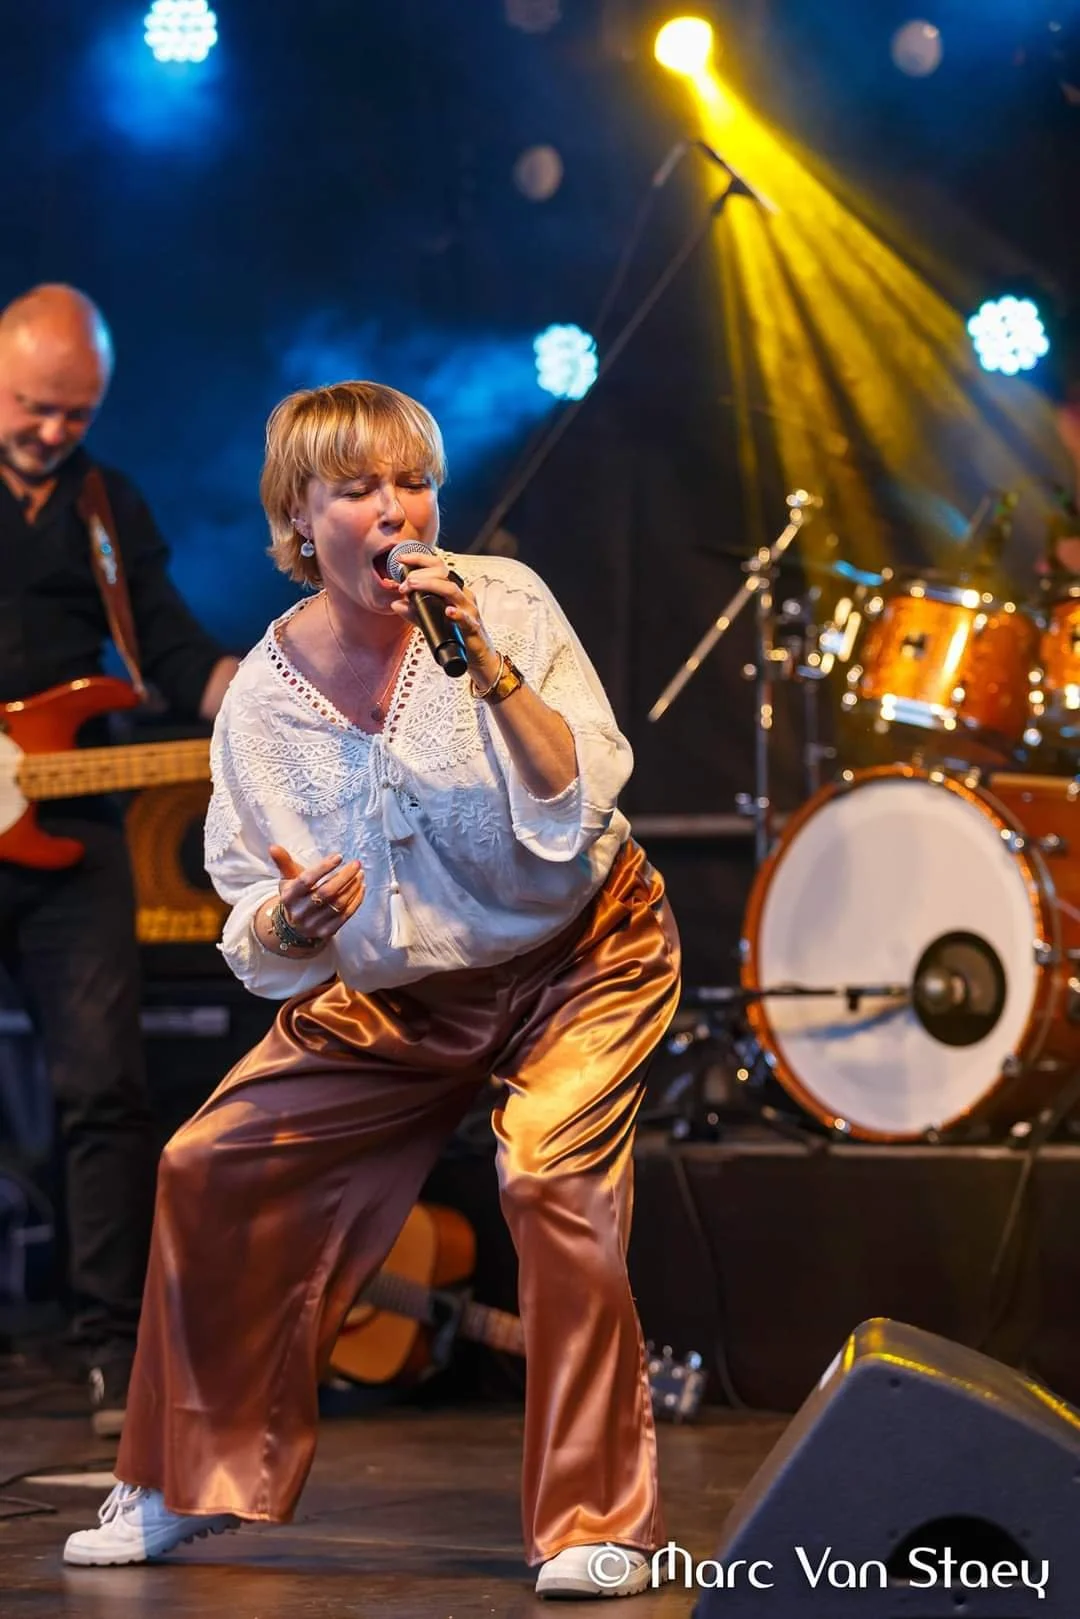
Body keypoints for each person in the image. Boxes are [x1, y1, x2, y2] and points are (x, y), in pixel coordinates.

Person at [62, 379, 682, 1599]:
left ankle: (597, 1520)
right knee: (208, 1160)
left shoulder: (501, 604)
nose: (400, 509)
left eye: (415, 481)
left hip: (581, 953)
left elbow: (576, 808)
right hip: (402, 991)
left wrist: (493, 672)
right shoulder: (260, 701)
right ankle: (188, 1481)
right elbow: (250, 911)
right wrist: (289, 918)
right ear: (302, 516)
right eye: (361, 489)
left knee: (549, 1172)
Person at [0, 284, 238, 1435]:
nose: (53, 431)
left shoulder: (107, 501)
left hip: (72, 827)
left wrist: (255, 689)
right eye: (35, 408)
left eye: (73, 413)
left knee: (106, 1087)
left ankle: (110, 1351)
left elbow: (169, 637)